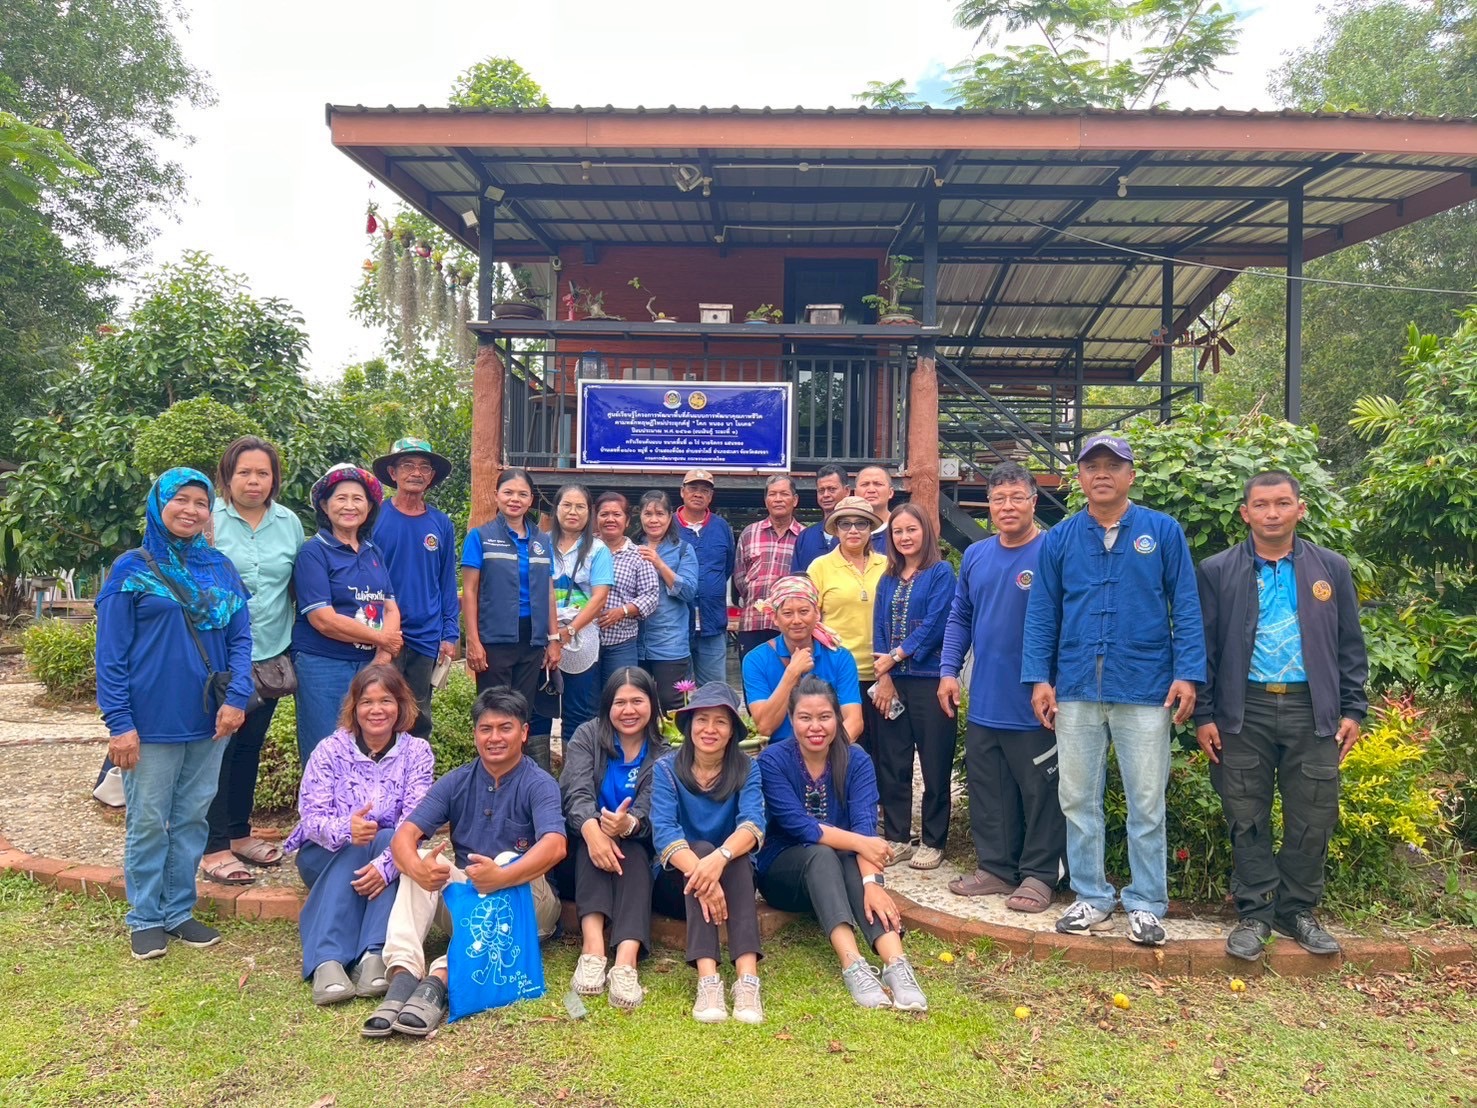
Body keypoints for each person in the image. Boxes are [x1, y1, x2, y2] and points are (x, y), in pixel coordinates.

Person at [1022, 434, 1205, 947]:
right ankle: (1091, 895)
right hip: (1076, 685)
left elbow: (1185, 605)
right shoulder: (1059, 538)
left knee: (1147, 801)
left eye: (1113, 465)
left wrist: (1188, 672)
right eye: (1091, 466)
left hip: (1146, 686)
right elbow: (1042, 614)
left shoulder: (1161, 532)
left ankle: (1146, 902)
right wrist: (1040, 677)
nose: (1102, 473)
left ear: (1130, 474)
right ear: (1079, 477)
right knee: (1078, 797)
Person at [1195, 471, 1368, 961]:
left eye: (1282, 503)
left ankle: (1297, 911)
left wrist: (1354, 707)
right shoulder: (1217, 570)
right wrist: (1204, 713)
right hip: (1240, 709)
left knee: (1313, 814)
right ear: (1245, 512)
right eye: (1262, 504)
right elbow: (1203, 648)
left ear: (1300, 508)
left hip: (1312, 710)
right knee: (1245, 815)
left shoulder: (1330, 568)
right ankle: (1255, 912)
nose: (1272, 513)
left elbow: (1350, 645)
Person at [96, 468, 254, 959]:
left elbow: (241, 641)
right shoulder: (131, 569)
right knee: (147, 820)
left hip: (210, 720)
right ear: (158, 505)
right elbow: (111, 655)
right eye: (180, 500)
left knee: (191, 820)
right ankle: (145, 915)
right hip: (151, 723)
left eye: (200, 502)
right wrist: (120, 725)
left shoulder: (220, 568)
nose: (190, 510)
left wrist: (237, 698)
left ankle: (178, 910)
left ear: (210, 512)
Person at [366, 687, 566, 1039]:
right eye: (485, 729)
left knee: (506, 858)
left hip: (527, 906)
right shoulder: (458, 780)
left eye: (505, 728)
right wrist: (417, 869)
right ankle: (402, 977)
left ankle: (439, 980)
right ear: (475, 734)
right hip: (465, 900)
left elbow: (555, 846)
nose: (494, 738)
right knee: (424, 864)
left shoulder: (539, 783)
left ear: (523, 732)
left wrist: (501, 876)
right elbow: (403, 837)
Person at [755, 676, 927, 1011]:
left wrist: (872, 883)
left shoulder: (857, 760)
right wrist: (863, 844)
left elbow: (864, 828)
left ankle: (897, 965)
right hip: (783, 871)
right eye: (805, 718)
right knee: (823, 853)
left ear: (838, 718)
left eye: (824, 717)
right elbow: (799, 825)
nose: (815, 727)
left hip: (841, 866)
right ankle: (853, 963)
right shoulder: (773, 761)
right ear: (791, 721)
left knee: (847, 860)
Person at [939, 463, 1064, 913]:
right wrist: (949, 670)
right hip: (986, 698)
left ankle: (1039, 875)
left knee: (1041, 791)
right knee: (989, 788)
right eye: (998, 499)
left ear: (1033, 501)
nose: (1006, 507)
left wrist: (1054, 682)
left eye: (1016, 497)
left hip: (1037, 700)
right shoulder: (976, 554)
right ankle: (995, 867)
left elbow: (1069, 626)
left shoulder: (1054, 550)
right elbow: (960, 617)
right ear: (988, 506)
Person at [283, 664, 435, 1005]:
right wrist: (344, 828)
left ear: (400, 706)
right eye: (367, 702)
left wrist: (385, 866)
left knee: (387, 840)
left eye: (386, 700)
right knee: (361, 843)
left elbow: (416, 822)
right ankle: (331, 957)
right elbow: (311, 818)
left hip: (386, 853)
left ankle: (369, 956)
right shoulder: (330, 750)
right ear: (354, 707)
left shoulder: (417, 753)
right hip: (322, 853)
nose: (377, 710)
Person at [201, 436, 304, 887]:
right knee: (217, 749)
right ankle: (213, 846)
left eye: (263, 473)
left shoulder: (289, 523)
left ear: (274, 479)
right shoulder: (209, 519)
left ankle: (239, 833)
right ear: (228, 476)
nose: (254, 481)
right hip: (217, 658)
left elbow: (296, 588)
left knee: (248, 748)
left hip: (268, 657)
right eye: (245, 472)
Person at [650, 682, 766, 1023]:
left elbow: (753, 824)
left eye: (721, 721)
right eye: (702, 720)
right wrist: (706, 872)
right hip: (676, 884)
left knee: (736, 854)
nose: (710, 729)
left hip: (731, 876)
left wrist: (719, 860)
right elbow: (665, 833)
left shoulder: (746, 768)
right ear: (688, 725)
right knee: (700, 848)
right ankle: (708, 979)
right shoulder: (666, 769)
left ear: (732, 731)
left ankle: (747, 979)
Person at [560, 668, 666, 1010]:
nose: (629, 710)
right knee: (594, 845)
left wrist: (629, 824)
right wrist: (592, 828)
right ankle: (593, 951)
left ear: (652, 703)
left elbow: (655, 809)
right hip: (584, 841)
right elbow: (574, 792)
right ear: (607, 706)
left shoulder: (663, 752)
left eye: (638, 701)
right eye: (620, 702)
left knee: (631, 851)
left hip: (636, 843)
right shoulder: (587, 736)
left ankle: (626, 959)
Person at [292, 463, 402, 764]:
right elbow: (323, 619)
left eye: (358, 499)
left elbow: (390, 606)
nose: (350, 506)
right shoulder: (313, 552)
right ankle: (321, 812)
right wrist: (383, 639)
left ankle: (360, 812)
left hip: (369, 663)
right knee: (326, 747)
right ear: (325, 506)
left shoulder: (372, 551)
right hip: (323, 664)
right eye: (341, 498)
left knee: (367, 746)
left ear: (369, 507)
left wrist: (382, 657)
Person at [870, 503, 957, 870]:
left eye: (911, 530)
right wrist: (885, 675)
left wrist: (898, 655)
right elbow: (878, 628)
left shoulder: (940, 573)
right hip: (893, 683)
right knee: (893, 761)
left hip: (930, 680)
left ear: (926, 532)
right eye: (898, 532)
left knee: (935, 761)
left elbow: (937, 623)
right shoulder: (887, 578)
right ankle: (897, 836)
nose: (905, 537)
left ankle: (934, 841)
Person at [371, 438, 459, 739]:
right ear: (393, 473)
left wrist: (450, 632)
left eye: (424, 467)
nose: (416, 472)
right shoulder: (374, 518)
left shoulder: (441, 523)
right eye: (408, 465)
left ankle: (415, 780)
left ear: (431, 476)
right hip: (382, 634)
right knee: (380, 710)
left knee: (418, 714)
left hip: (426, 634)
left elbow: (447, 580)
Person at [461, 468, 561, 707]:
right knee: (494, 708)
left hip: (532, 640)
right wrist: (473, 641)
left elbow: (548, 592)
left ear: (530, 500)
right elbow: (470, 591)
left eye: (522, 494)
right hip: (494, 638)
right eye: (508, 492)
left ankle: (521, 747)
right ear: (496, 495)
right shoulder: (479, 537)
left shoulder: (542, 540)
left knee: (522, 709)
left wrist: (554, 639)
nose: (515, 499)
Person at [807, 496, 888, 751]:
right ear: (836, 529)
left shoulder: (887, 565)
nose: (853, 530)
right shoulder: (820, 567)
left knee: (883, 753)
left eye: (861, 523)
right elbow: (810, 619)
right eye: (845, 524)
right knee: (840, 749)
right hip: (836, 672)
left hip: (881, 673)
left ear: (870, 528)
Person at [741, 575, 862, 744]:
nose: (796, 620)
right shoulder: (755, 660)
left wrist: (824, 753)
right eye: (787, 613)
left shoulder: (840, 657)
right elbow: (765, 726)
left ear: (817, 613)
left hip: (831, 748)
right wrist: (791, 674)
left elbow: (854, 721)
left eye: (804, 611)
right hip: (781, 753)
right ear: (775, 618)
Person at [547, 483, 614, 739]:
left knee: (579, 712)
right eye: (567, 505)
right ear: (556, 509)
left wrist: (569, 631)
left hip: (581, 638)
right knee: (539, 709)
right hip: (542, 635)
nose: (572, 512)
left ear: (589, 512)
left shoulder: (598, 550)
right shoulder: (540, 544)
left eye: (580, 506)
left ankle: (577, 776)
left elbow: (599, 598)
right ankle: (540, 776)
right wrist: (553, 633)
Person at [635, 490, 699, 712]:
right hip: (632, 642)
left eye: (660, 513)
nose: (654, 520)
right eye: (648, 513)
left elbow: (688, 592)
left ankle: (675, 748)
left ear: (670, 516)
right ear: (640, 516)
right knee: (638, 705)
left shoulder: (683, 549)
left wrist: (660, 564)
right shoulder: (630, 546)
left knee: (671, 705)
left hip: (669, 643)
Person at [592, 491, 661, 694]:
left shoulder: (639, 555)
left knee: (620, 697)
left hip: (621, 643)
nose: (610, 519)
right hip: (584, 641)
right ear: (595, 519)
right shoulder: (584, 550)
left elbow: (651, 596)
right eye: (604, 514)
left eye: (617, 514)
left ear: (627, 520)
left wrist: (621, 611)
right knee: (586, 704)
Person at [676, 468, 735, 688]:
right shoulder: (668, 526)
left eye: (704, 490)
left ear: (710, 496)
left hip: (713, 624)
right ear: (682, 492)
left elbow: (728, 567)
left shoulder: (722, 527)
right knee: (678, 695)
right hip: (677, 626)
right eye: (693, 488)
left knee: (714, 691)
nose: (698, 494)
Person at [732, 475, 803, 657]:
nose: (778, 499)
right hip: (753, 624)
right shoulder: (749, 533)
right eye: (773, 494)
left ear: (794, 500)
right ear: (766, 500)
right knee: (754, 681)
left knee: (793, 681)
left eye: (784, 494)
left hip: (791, 626)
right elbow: (740, 579)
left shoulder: (805, 536)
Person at [791, 464, 848, 573]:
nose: (826, 495)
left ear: (846, 491)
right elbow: (797, 580)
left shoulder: (857, 532)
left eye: (832, 489)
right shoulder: (805, 536)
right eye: (821, 490)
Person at [853, 466, 895, 553]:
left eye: (878, 484)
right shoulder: (845, 531)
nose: (871, 490)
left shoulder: (899, 529)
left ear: (890, 492)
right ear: (855, 493)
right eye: (865, 484)